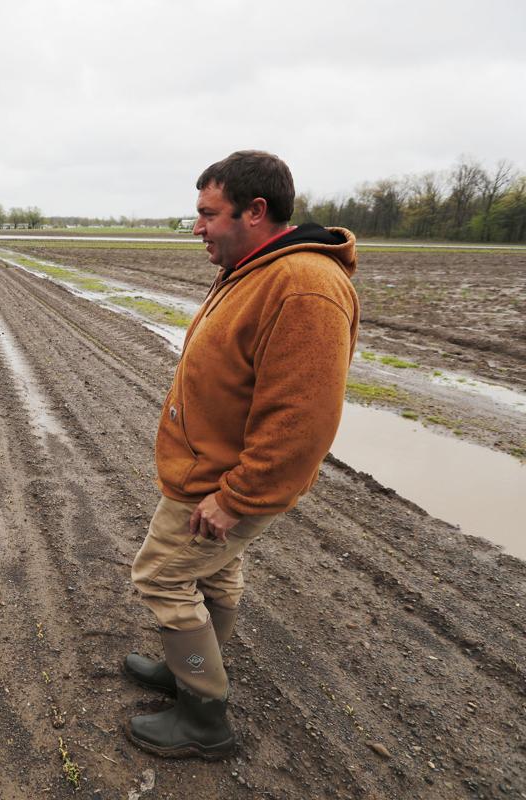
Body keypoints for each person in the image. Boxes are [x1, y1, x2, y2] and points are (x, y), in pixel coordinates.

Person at [124, 150, 360, 760]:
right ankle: (191, 673)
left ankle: (203, 713)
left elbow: (301, 418)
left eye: (208, 214)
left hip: (227, 483)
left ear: (256, 212)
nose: (197, 227)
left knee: (162, 576)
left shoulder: (303, 286)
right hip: (210, 473)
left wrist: (239, 498)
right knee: (216, 571)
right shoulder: (257, 268)